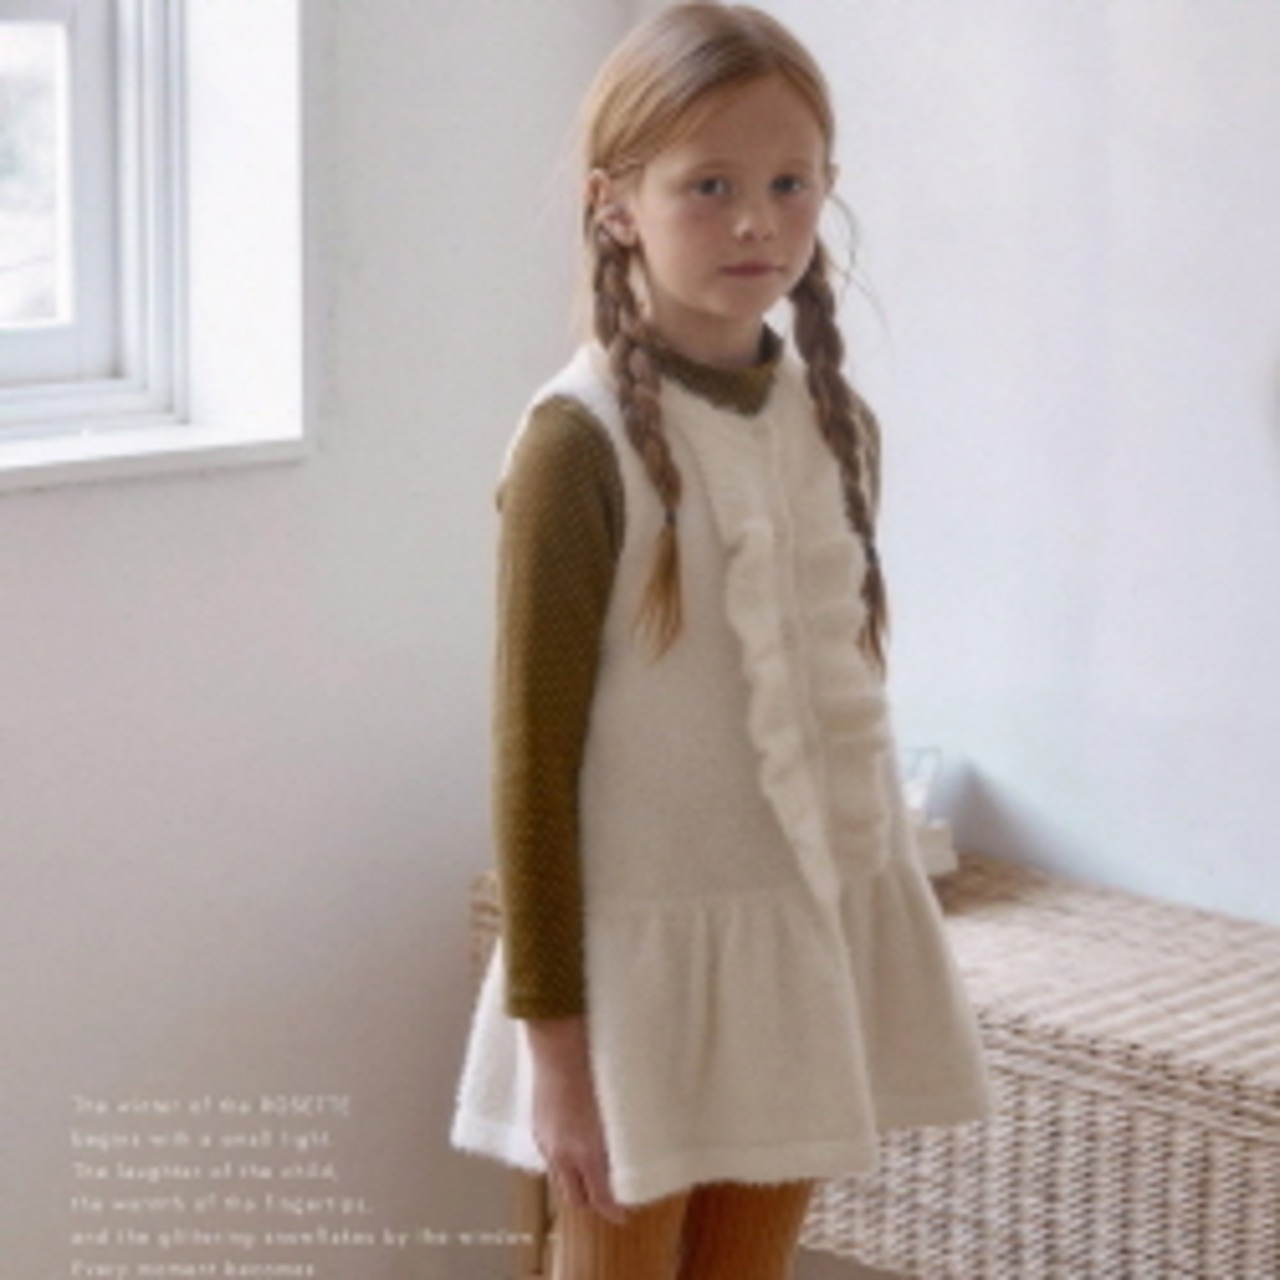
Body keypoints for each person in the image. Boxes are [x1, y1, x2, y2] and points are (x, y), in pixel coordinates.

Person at [452, 5, 994, 1276]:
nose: (756, 221)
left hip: (797, 965)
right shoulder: (574, 445)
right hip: (634, 990)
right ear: (614, 204)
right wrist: (557, 1054)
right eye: (709, 186)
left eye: (787, 183)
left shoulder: (833, 423)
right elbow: (531, 769)